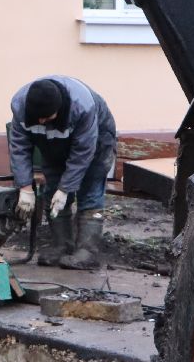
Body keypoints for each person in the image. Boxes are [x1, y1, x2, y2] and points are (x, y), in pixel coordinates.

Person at [8, 76, 117, 269]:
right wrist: (25, 187)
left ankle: (87, 252)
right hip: (52, 144)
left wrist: (66, 188)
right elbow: (19, 147)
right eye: (38, 118)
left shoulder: (82, 107)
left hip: (96, 143)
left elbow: (83, 152)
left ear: (59, 109)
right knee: (52, 191)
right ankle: (62, 246)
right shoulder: (20, 106)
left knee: (90, 191)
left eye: (47, 117)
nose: (41, 121)